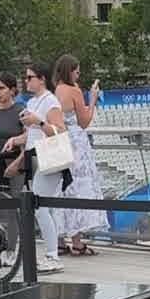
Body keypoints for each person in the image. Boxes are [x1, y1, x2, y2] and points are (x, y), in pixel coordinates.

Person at [18, 62, 68, 273]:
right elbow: (32, 133)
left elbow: (60, 131)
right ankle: (51, 252)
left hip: (49, 157)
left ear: (42, 79)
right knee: (42, 207)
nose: (26, 81)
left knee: (39, 206)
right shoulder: (33, 102)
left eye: (30, 77)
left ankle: (52, 254)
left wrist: (38, 122)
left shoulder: (50, 101)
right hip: (37, 156)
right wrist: (16, 139)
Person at [53, 55, 103, 256]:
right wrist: (93, 99)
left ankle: (60, 240)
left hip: (61, 141)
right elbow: (84, 121)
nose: (78, 74)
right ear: (70, 71)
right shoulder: (73, 90)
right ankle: (77, 241)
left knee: (63, 188)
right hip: (76, 143)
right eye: (76, 70)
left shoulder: (57, 90)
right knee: (79, 188)